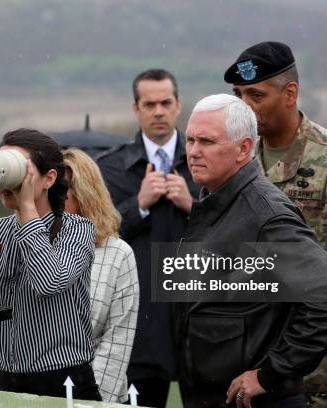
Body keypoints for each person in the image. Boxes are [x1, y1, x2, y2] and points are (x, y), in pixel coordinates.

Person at [225, 41, 327, 408]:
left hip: (318, 386)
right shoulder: (241, 163)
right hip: (251, 383)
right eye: (238, 95)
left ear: (290, 93)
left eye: (256, 94)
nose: (244, 106)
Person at [176, 94, 327, 408]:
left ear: (244, 148)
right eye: (189, 140)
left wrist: (270, 374)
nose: (194, 152)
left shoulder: (265, 215)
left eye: (207, 141)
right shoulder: (215, 202)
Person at [0, 129, 101, 401]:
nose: (11, 180)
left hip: (63, 380)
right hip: (3, 379)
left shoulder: (78, 230)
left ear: (49, 178)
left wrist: (28, 210)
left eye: (19, 169)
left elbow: (50, 282)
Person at [97, 68, 200, 408]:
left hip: (200, 319)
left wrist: (193, 206)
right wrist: (138, 206)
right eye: (149, 103)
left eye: (165, 102)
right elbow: (97, 236)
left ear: (178, 105)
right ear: (135, 108)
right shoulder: (110, 169)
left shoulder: (207, 161)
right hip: (139, 323)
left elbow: (236, 232)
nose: (158, 111)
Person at [62, 148, 140, 403]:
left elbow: (116, 344)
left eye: (63, 193)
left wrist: (91, 401)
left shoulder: (118, 255)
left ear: (84, 196)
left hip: (98, 396)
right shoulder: (35, 244)